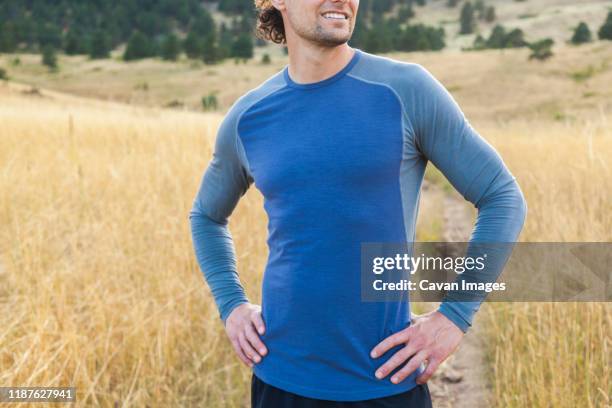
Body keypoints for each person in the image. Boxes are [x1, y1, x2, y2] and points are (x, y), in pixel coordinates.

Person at [189, 0, 527, 406]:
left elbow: (502, 197)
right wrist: (232, 305)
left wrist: (453, 317)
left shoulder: (405, 90)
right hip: (280, 381)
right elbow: (206, 216)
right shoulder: (249, 117)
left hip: (387, 381)